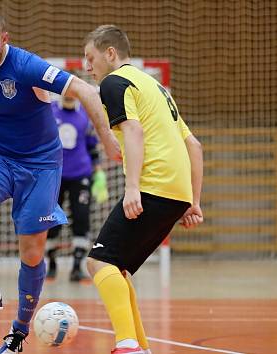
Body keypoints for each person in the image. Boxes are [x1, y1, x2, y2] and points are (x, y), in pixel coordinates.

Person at [0, 9, 121, 354]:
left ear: (5, 40)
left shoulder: (27, 65)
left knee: (31, 250)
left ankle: (18, 332)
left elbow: (86, 90)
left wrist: (105, 138)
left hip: (42, 164)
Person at [83, 25, 204, 354]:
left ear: (111, 54)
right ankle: (139, 346)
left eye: (91, 58)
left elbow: (133, 131)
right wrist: (192, 201)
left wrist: (132, 188)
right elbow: (193, 145)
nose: (87, 66)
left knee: (98, 263)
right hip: (176, 191)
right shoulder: (156, 86)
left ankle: (126, 345)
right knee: (118, 267)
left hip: (153, 185)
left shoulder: (113, 82)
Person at [46, 94, 108, 282]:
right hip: (54, 175)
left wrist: (98, 173)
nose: (70, 95)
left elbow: (92, 145)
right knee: (51, 221)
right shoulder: (50, 111)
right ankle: (52, 265)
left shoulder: (85, 115)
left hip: (80, 174)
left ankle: (76, 266)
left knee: (81, 218)